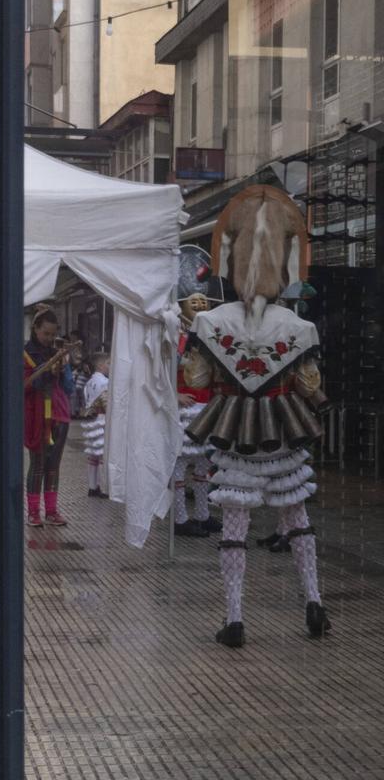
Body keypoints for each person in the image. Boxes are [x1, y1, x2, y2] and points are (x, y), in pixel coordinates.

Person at [183, 187, 330, 648]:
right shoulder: (299, 326)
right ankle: (314, 601)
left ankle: (235, 618)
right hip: (285, 427)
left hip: (233, 428)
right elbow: (308, 383)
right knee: (296, 515)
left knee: (235, 525)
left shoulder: (210, 322)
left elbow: (197, 377)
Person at [172, 292, 221, 538]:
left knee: (204, 464)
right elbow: (160, 372)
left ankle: (202, 514)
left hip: (207, 406)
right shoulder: (175, 337)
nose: (201, 305)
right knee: (179, 465)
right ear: (182, 306)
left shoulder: (214, 335)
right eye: (194, 302)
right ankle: (179, 518)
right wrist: (174, 394)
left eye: (205, 301)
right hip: (184, 409)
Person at [23, 306, 73, 527]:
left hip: (59, 413)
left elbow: (67, 387)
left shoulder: (57, 353)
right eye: (46, 333)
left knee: (54, 465)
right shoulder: (25, 353)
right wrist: (46, 370)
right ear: (35, 329)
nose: (50, 338)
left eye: (53, 334)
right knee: (38, 464)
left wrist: (63, 368)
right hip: (38, 415)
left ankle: (51, 511)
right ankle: (33, 512)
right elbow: (24, 385)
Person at [81, 353, 108, 498]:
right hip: (102, 419)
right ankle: (103, 488)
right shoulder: (105, 382)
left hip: (90, 420)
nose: (110, 366)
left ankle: (92, 487)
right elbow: (107, 403)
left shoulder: (89, 383)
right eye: (108, 363)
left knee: (93, 455)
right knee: (103, 455)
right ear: (101, 365)